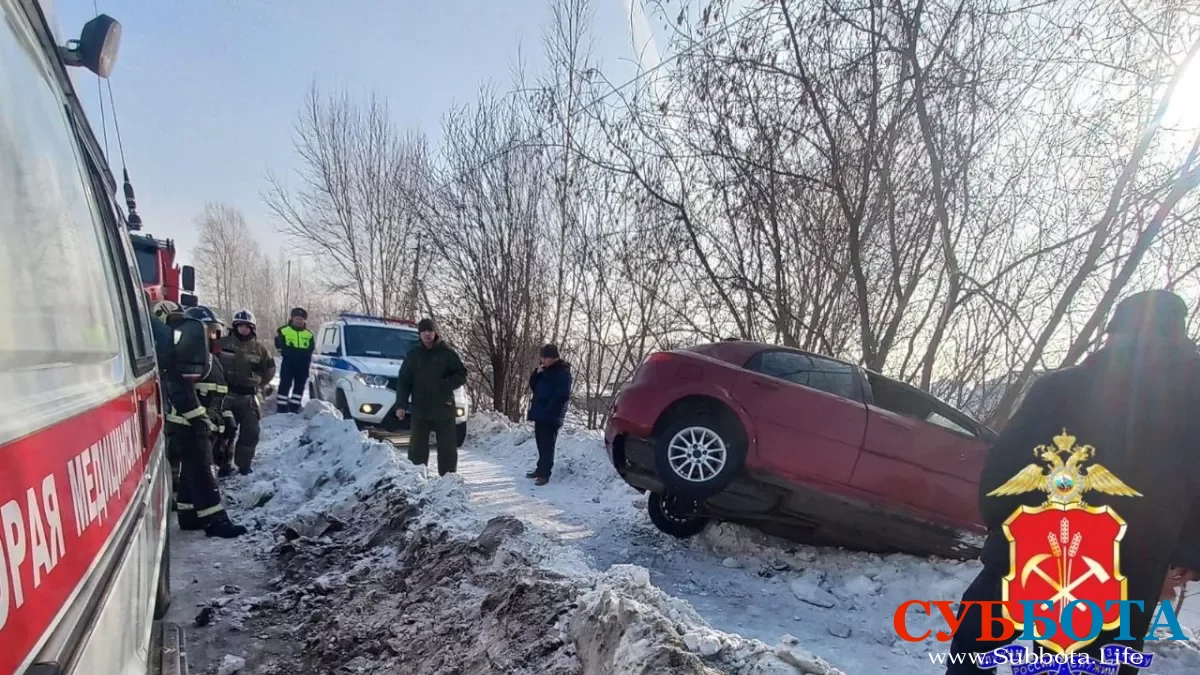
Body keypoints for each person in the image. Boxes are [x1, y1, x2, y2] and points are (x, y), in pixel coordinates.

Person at [947, 290, 1200, 674]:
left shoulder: (1060, 388)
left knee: (973, 651)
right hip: (1127, 569)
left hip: (1034, 549)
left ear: (1116, 335)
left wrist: (1007, 529)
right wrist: (1188, 554)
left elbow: (1004, 468)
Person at [152, 301, 246, 538]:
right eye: (210, 331)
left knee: (191, 471)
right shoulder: (186, 358)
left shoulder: (211, 360)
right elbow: (181, 392)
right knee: (204, 472)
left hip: (202, 424)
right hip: (188, 424)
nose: (215, 336)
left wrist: (226, 419)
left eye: (217, 331)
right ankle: (215, 521)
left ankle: (188, 514)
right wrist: (199, 418)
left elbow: (218, 394)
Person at [393, 318, 467, 476]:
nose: (427, 334)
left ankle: (448, 479)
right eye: (424, 331)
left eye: (430, 331)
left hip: (443, 406)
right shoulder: (413, 354)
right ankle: (417, 477)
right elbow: (404, 381)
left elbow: (461, 374)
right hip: (421, 406)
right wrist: (401, 405)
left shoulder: (446, 353)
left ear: (435, 333)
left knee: (447, 447)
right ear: (420, 334)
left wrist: (445, 384)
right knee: (417, 447)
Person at [218, 309, 275, 476]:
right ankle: (223, 463)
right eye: (240, 326)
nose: (244, 329)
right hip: (225, 396)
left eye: (247, 326)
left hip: (249, 397)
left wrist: (260, 384)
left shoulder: (260, 349)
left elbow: (270, 369)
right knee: (225, 431)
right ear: (235, 326)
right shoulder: (222, 344)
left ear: (253, 329)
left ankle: (244, 464)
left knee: (251, 432)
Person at [525, 344, 572, 486]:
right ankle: (540, 469)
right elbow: (534, 386)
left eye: (545, 358)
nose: (543, 360)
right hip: (540, 412)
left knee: (547, 444)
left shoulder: (562, 371)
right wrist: (536, 373)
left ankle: (544, 474)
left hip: (551, 414)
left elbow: (562, 394)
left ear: (553, 358)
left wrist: (550, 408)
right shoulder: (544, 370)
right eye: (542, 358)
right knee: (540, 442)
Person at [274, 307, 314, 414]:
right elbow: (278, 345)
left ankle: (295, 407)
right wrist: (288, 353)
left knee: (299, 387)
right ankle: (281, 408)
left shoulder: (309, 334)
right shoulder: (283, 330)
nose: (299, 321)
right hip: (289, 363)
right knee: (285, 384)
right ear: (292, 318)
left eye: (301, 319)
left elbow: (311, 348)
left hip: (303, 364)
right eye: (297, 318)